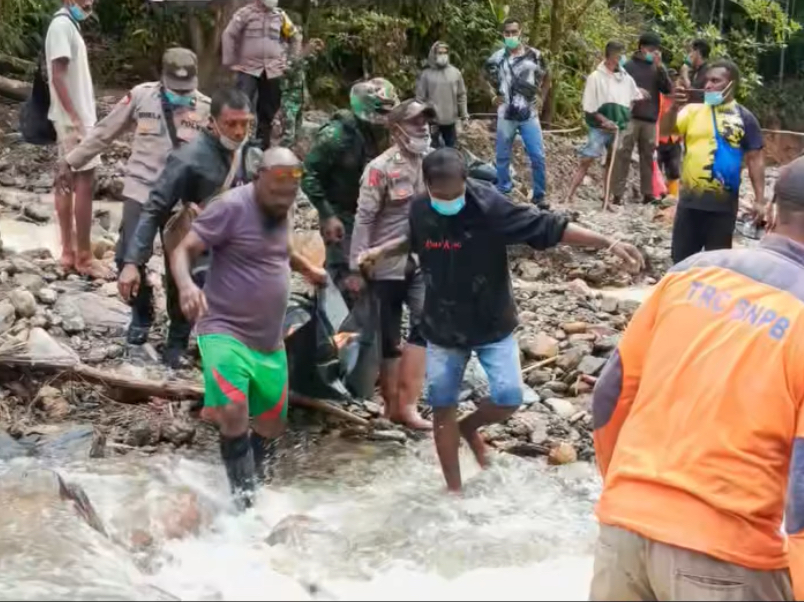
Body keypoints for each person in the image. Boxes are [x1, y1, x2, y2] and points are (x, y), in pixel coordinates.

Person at [357, 148, 644, 492]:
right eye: (441, 195)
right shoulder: (420, 207)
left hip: (491, 319)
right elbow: (416, 238)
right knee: (442, 405)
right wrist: (380, 252)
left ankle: (471, 426)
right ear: (428, 186)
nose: (449, 200)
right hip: (442, 323)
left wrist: (608, 242)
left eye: (456, 194)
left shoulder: (490, 207)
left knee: (509, 396)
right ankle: (454, 492)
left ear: (466, 181)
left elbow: (548, 226)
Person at [588, 157, 804, 602]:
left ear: (774, 211)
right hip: (728, 556)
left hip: (623, 534)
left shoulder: (690, 272)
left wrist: (628, 491)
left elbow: (609, 396)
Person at [171, 148, 327, 510]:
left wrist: (306, 268)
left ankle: (251, 482)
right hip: (223, 326)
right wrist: (186, 286)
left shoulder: (282, 204)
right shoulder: (230, 207)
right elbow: (183, 249)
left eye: (289, 193)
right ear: (259, 177)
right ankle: (244, 506)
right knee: (234, 407)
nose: (282, 199)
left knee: (272, 423)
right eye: (275, 191)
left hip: (269, 340)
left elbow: (282, 249)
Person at [55, 48, 211, 347]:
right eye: (174, 89)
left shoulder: (205, 108)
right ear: (162, 78)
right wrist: (71, 160)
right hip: (142, 189)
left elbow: (217, 160)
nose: (180, 94)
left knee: (181, 265)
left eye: (185, 89)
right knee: (128, 256)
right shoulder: (141, 96)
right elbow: (104, 132)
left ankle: (178, 332)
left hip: (180, 200)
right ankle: (141, 313)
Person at [119, 88, 256, 368]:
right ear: (212, 122)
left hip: (234, 233)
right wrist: (133, 262)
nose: (240, 131)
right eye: (232, 124)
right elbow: (155, 206)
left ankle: (223, 346)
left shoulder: (249, 152)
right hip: (195, 232)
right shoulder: (188, 158)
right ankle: (176, 345)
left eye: (246, 123)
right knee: (188, 285)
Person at [350, 99, 436, 430]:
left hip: (421, 259)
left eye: (425, 122)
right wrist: (358, 266)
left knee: (424, 323)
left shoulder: (432, 162)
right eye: (415, 123)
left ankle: (408, 405)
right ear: (396, 130)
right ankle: (389, 405)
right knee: (388, 334)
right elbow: (364, 219)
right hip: (384, 265)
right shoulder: (379, 169)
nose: (423, 128)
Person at [301, 78, 399, 305]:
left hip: (371, 210)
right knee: (343, 273)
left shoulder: (386, 131)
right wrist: (326, 213)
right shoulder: (336, 135)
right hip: (341, 210)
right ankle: (333, 324)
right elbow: (308, 173)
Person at [660, 59, 765, 264]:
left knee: (715, 266)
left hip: (723, 208)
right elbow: (665, 131)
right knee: (681, 262)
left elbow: (755, 159)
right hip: (690, 205)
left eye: (715, 81)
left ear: (731, 84)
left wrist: (760, 200)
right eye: (707, 81)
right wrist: (673, 108)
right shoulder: (692, 111)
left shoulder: (745, 118)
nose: (708, 86)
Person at [46, 0, 107, 278]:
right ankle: (83, 255)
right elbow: (57, 76)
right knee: (84, 181)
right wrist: (77, 120)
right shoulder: (61, 25)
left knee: (66, 181)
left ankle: (69, 252)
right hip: (75, 121)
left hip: (71, 119)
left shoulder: (68, 25)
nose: (88, 3)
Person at [564, 41, 642, 205]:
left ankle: (606, 200)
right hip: (599, 128)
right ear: (612, 56)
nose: (623, 58)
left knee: (610, 165)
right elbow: (589, 106)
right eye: (620, 54)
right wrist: (605, 120)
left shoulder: (626, 78)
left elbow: (634, 97)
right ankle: (569, 195)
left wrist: (626, 114)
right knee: (586, 160)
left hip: (618, 129)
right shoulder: (595, 77)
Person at [484, 18, 550, 208]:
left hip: (529, 114)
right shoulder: (497, 57)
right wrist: (492, 96)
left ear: (520, 32)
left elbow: (548, 77)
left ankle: (539, 195)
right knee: (502, 155)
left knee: (537, 156)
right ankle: (503, 190)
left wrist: (542, 97)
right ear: (503, 35)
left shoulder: (535, 55)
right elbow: (483, 77)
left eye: (514, 32)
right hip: (505, 114)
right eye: (507, 33)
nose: (511, 36)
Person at [221, 0, 302, 149]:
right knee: (241, 105)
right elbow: (229, 34)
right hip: (248, 68)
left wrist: (291, 61)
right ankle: (237, 144)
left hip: (273, 70)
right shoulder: (245, 13)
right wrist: (229, 60)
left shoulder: (280, 16)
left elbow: (295, 37)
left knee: (268, 110)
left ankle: (262, 146)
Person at [610, 32, 672, 205]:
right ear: (642, 48)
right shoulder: (628, 66)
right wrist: (635, 93)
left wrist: (661, 67)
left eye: (657, 50)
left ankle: (648, 193)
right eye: (652, 49)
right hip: (629, 117)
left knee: (648, 157)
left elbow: (667, 89)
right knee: (623, 154)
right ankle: (617, 194)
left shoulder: (657, 68)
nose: (655, 53)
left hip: (650, 119)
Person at [415, 42, 468, 149]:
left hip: (450, 120)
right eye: (440, 53)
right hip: (432, 121)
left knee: (451, 148)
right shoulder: (426, 74)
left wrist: (464, 116)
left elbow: (461, 96)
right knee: (432, 149)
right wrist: (421, 118)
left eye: (445, 53)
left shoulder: (455, 73)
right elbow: (420, 99)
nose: (443, 55)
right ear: (433, 54)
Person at [274, 38, 324, 150]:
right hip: (289, 100)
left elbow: (311, 63)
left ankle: (291, 159)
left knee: (297, 135)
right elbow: (289, 72)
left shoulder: (300, 58)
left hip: (299, 98)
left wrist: (315, 50)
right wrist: (305, 52)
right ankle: (278, 156)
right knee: (288, 136)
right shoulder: (283, 57)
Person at [656, 68, 682, 199]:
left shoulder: (679, 101)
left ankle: (673, 196)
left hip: (674, 139)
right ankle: (658, 195)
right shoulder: (659, 98)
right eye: (672, 81)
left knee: (674, 169)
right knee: (657, 168)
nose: (675, 85)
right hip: (659, 138)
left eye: (676, 81)